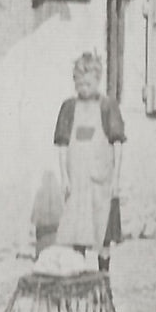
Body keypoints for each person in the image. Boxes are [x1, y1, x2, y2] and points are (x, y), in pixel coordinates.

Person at [53, 52, 126, 271]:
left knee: (102, 232)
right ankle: (80, 274)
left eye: (89, 83)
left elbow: (117, 144)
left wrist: (116, 178)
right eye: (80, 83)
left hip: (101, 182)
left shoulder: (107, 107)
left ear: (98, 80)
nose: (84, 87)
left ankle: (104, 277)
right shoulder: (68, 108)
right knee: (78, 230)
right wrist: (64, 177)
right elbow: (62, 145)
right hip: (77, 183)